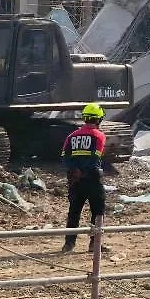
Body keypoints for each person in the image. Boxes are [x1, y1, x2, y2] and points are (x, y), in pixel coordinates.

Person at [61, 103, 107, 253]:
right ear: (99, 119)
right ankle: (95, 244)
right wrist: (85, 172)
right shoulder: (99, 136)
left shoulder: (71, 136)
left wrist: (75, 171)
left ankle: (69, 244)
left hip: (75, 180)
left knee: (74, 212)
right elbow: (95, 158)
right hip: (92, 179)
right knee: (97, 212)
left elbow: (65, 157)